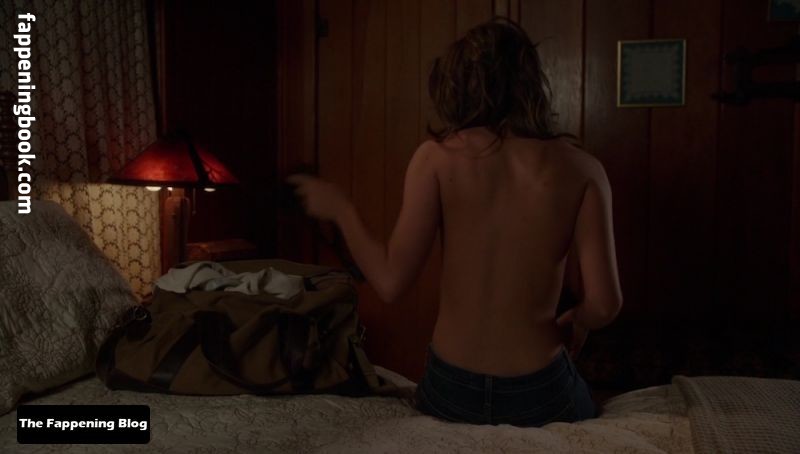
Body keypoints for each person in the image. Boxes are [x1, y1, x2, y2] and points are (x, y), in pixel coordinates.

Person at [288, 18, 622, 427]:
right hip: (539, 391)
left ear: (459, 85)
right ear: (531, 83)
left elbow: (390, 283)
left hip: (453, 389)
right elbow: (605, 304)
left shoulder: (436, 158)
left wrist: (342, 209)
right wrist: (579, 320)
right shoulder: (583, 169)